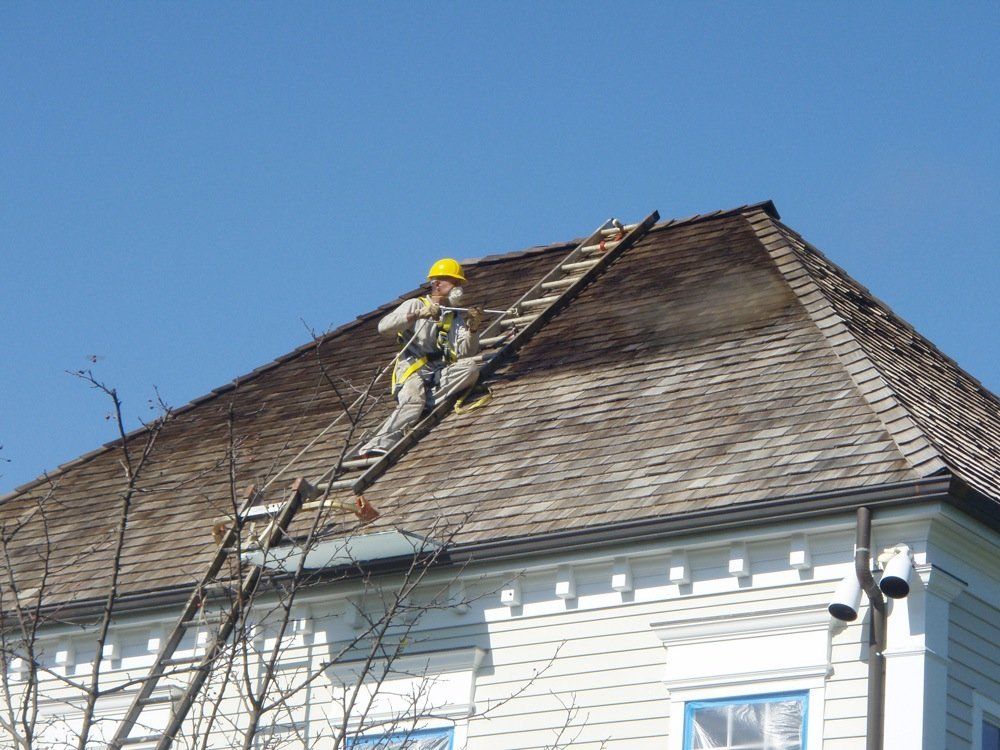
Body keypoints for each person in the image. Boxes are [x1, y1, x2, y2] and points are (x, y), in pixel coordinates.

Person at [357, 258, 483, 457]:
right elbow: (384, 327)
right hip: (413, 370)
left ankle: (429, 401)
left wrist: (473, 330)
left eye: (453, 281)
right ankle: (376, 445)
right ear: (436, 283)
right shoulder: (416, 304)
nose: (449, 285)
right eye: (445, 280)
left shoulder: (455, 317)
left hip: (438, 372)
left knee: (470, 368)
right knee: (413, 400)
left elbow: (466, 352)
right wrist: (417, 315)